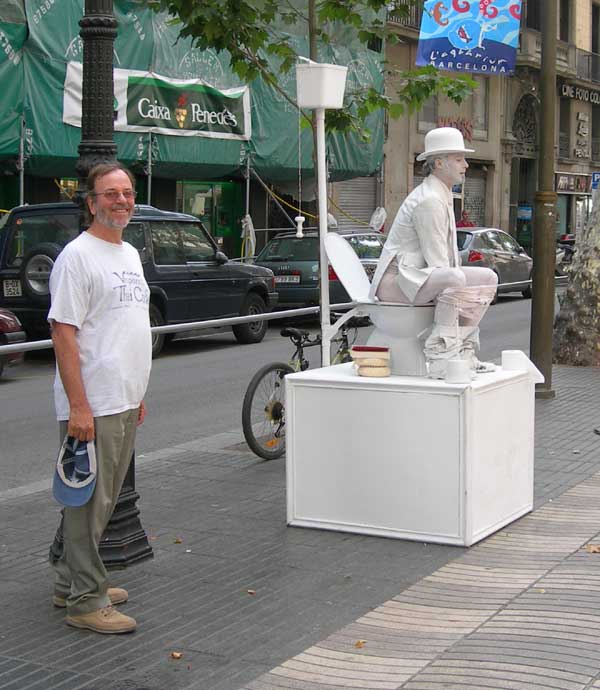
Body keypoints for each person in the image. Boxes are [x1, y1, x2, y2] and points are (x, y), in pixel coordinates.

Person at [48, 163, 152, 634]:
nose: (122, 201)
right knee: (90, 502)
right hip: (95, 401)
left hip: (124, 398)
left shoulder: (128, 252)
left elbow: (123, 328)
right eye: (111, 194)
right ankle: (86, 602)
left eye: (127, 193)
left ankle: (72, 580)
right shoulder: (78, 256)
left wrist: (138, 392)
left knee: (99, 499)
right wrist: (79, 406)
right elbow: (63, 332)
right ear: (91, 202)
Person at [369, 127, 498, 379]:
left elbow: (447, 262)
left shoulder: (442, 193)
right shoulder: (429, 199)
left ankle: (463, 348)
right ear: (439, 163)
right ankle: (442, 354)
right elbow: (440, 264)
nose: (466, 165)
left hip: (417, 278)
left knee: (488, 278)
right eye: (459, 159)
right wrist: (457, 285)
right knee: (455, 278)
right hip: (396, 282)